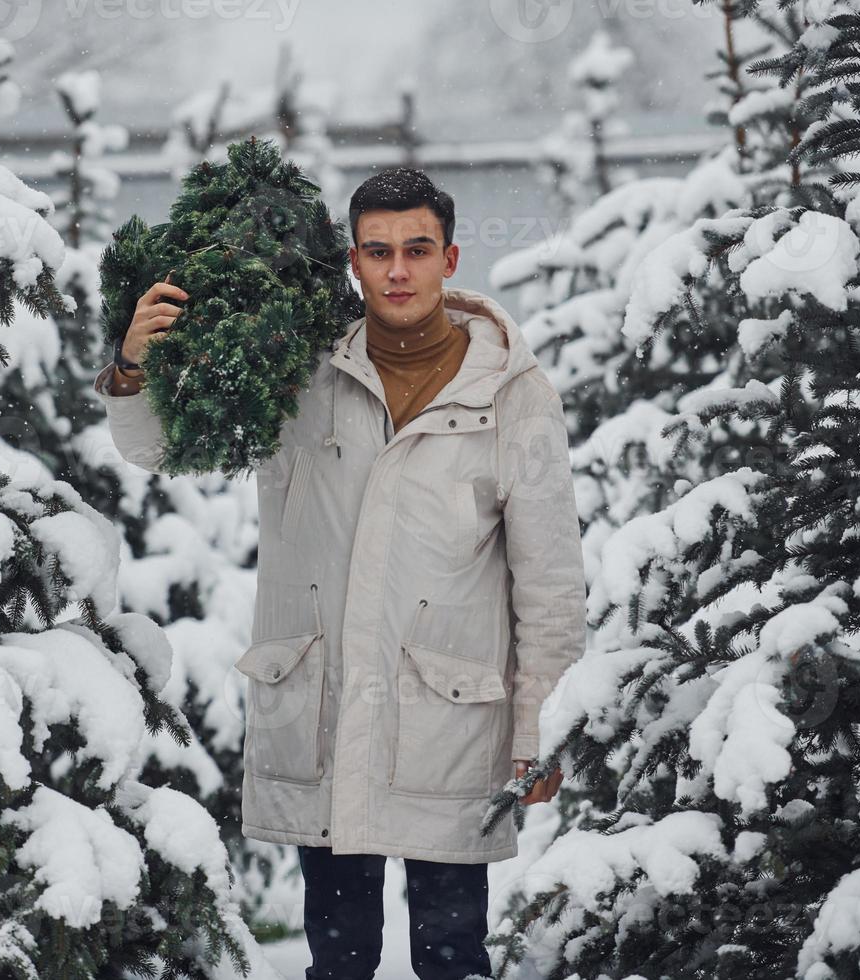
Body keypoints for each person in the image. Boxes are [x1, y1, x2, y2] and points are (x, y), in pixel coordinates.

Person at [94, 168, 586, 980]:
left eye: (417, 250)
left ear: (450, 257)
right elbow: (161, 449)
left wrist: (540, 735)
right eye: (378, 250)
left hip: (451, 727)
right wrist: (138, 366)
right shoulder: (294, 370)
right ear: (351, 263)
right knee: (339, 961)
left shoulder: (513, 394)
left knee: (453, 957)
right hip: (323, 712)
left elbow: (549, 581)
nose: (398, 270)